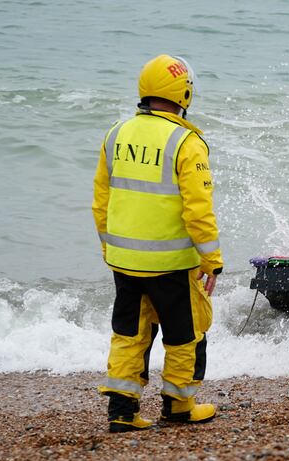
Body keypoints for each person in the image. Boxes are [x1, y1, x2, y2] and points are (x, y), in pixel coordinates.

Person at [91, 54, 223, 433]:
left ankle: (122, 410)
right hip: (172, 264)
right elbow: (198, 209)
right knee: (186, 333)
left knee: (130, 333)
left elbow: (101, 201)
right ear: (184, 92)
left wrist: (108, 248)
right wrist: (212, 259)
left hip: (124, 260)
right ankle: (180, 406)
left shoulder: (116, 134)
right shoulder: (186, 142)